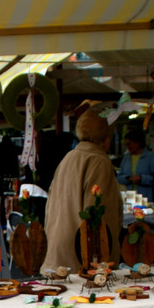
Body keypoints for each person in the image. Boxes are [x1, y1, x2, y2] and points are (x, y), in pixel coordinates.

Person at [41, 110, 123, 271]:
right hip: (80, 260)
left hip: (56, 254)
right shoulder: (99, 161)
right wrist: (101, 264)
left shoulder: (68, 158)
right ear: (106, 139)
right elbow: (99, 218)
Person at [116, 129, 154, 202]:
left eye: (129, 144)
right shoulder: (126, 158)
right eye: (126, 144)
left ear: (138, 143)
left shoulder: (150, 157)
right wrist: (128, 178)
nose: (128, 147)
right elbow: (119, 177)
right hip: (130, 199)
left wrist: (141, 178)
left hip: (146, 199)